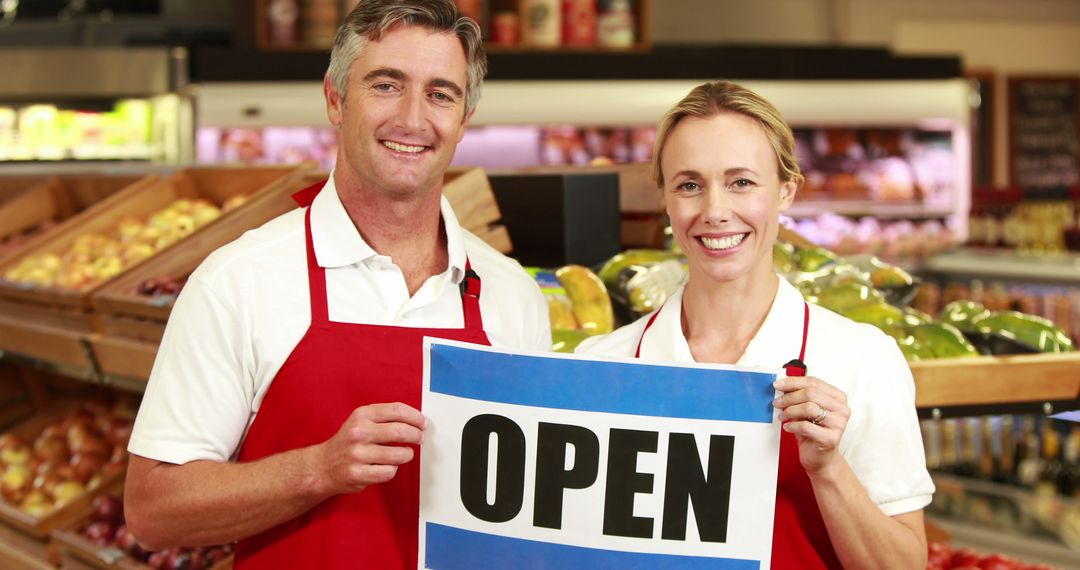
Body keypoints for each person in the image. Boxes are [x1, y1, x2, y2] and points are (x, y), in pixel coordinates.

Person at [123, 1, 551, 568]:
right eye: (386, 84)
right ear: (335, 99)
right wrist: (317, 470)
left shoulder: (512, 295)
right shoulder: (240, 280)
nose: (412, 118)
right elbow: (153, 512)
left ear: (463, 121)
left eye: (441, 94)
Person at [576, 81, 933, 569]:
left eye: (742, 182)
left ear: (786, 191)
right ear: (665, 198)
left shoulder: (863, 359)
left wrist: (827, 470)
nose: (716, 212)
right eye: (689, 185)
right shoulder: (599, 366)